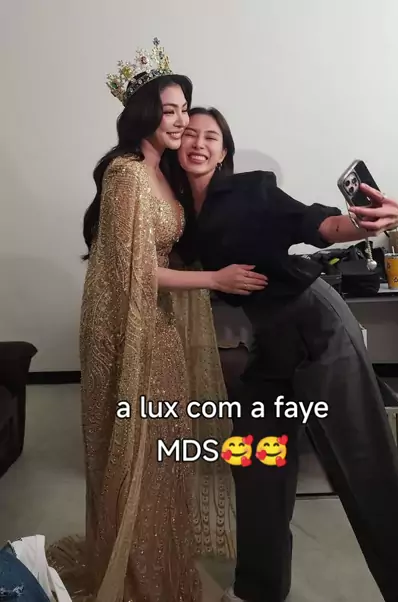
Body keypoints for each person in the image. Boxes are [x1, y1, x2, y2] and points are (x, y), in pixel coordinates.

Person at [173, 107, 398, 602]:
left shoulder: (250, 190)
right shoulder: (181, 213)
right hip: (270, 343)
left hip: (317, 326)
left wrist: (368, 224)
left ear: (223, 153)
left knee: (366, 468)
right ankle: (258, 590)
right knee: (256, 461)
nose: (199, 143)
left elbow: (318, 224)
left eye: (211, 137)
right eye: (190, 134)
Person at [46, 43, 268, 602]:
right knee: (139, 448)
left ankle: (160, 560)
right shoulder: (127, 174)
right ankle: (136, 575)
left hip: (160, 324)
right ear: (144, 113)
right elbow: (135, 271)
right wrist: (217, 280)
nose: (180, 120)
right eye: (170, 110)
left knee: (165, 448)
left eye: (184, 109)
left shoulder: (162, 172)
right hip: (127, 330)